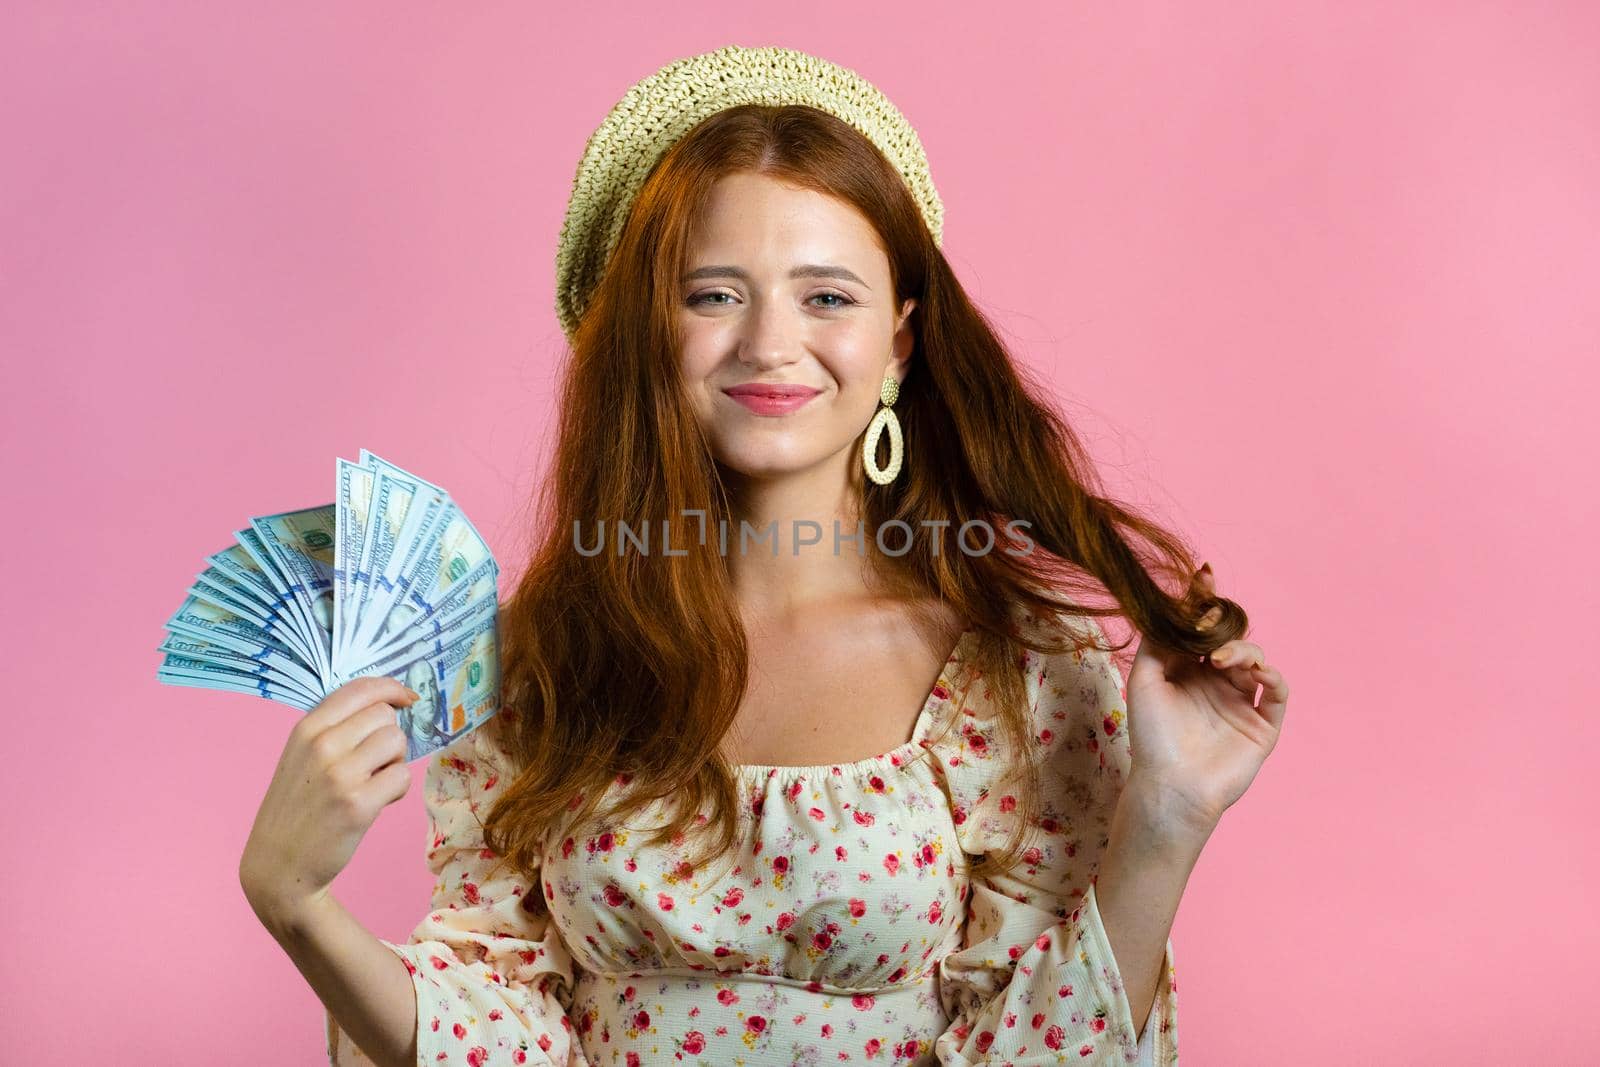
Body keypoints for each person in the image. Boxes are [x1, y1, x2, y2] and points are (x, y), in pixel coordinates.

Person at [239, 44, 1290, 1067]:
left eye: (826, 295)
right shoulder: (536, 658)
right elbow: (500, 1026)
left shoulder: (1020, 666)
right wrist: (296, 907)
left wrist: (1166, 818)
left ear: (901, 340)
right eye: (712, 294)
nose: (768, 342)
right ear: (646, 334)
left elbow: (1044, 1050)